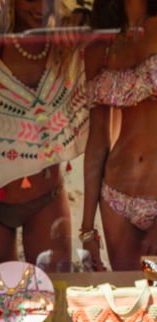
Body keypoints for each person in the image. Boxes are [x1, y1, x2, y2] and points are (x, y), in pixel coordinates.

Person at [0, 0, 88, 272]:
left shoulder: (64, 45)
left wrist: (83, 17)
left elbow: (101, 34)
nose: (40, 7)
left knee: (56, 296)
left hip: (48, 196)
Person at [81, 0, 157, 270]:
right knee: (131, 300)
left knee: (156, 300)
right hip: (115, 199)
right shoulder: (100, 48)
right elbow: (97, 141)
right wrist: (87, 229)